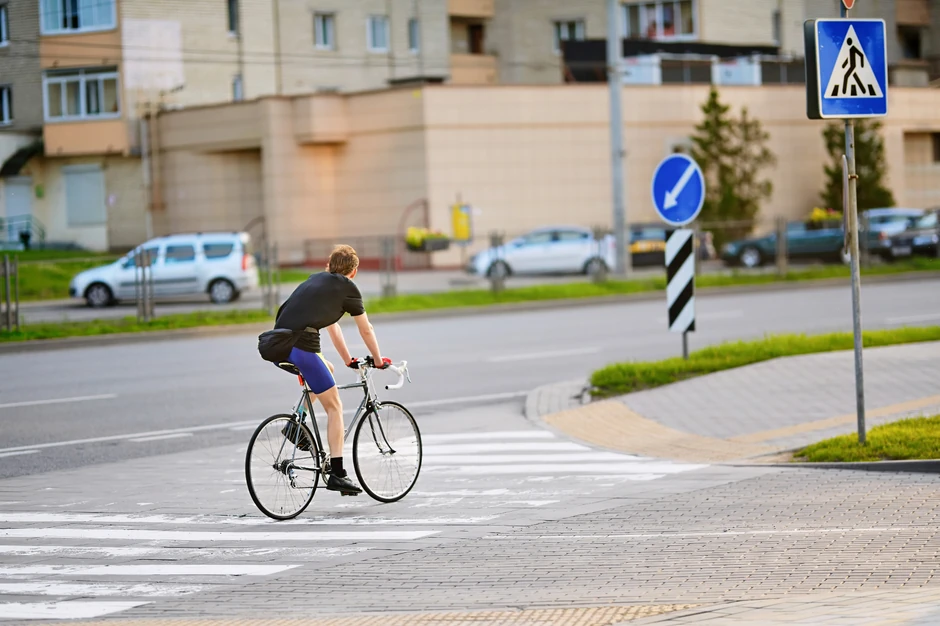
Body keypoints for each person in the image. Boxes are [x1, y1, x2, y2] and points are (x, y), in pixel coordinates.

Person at [273, 244, 390, 495]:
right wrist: (378, 360)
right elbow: (366, 329)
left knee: (327, 368)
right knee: (335, 406)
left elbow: (333, 327)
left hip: (275, 345)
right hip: (300, 348)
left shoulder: (317, 281)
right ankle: (337, 474)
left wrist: (348, 359)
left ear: (329, 265)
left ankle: (297, 422)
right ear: (354, 272)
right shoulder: (348, 288)